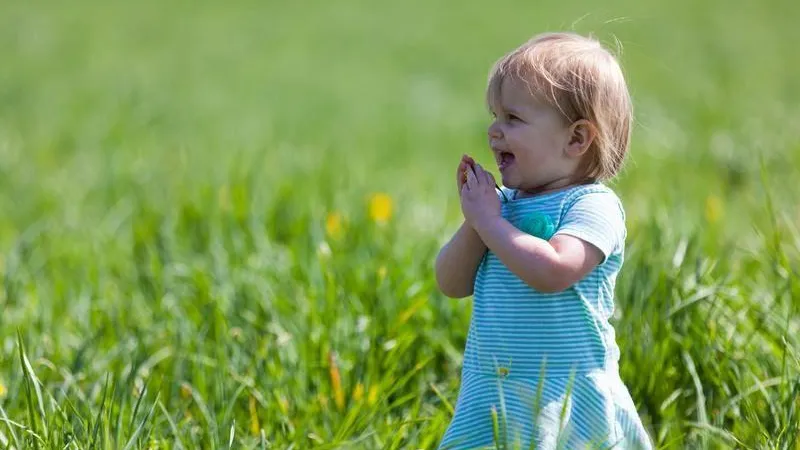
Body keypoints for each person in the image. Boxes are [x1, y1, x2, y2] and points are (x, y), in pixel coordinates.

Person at [434, 32, 653, 449]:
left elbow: (554, 270)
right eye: (494, 116)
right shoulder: (502, 208)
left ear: (576, 139)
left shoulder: (592, 206)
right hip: (494, 392)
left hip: (567, 394)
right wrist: (476, 223)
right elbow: (451, 283)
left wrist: (491, 223)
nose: (494, 131)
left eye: (513, 119)